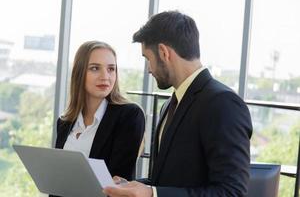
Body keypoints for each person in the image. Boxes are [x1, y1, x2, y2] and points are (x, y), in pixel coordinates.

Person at [103, 11, 253, 197]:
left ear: (164, 52)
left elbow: (232, 192)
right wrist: (131, 187)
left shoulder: (222, 103)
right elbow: (166, 181)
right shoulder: (170, 105)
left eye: (148, 59)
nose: (149, 69)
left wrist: (152, 194)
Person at [51, 41, 145, 196]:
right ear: (80, 73)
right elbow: (57, 183)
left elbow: (119, 179)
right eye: (95, 68)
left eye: (111, 69)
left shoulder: (129, 115)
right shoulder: (65, 122)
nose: (105, 76)